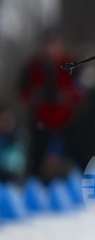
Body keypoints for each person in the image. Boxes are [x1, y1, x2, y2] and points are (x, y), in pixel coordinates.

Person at [17, 32, 84, 182]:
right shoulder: (32, 67)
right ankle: (34, 186)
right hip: (41, 122)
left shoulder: (71, 63)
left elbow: (81, 92)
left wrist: (67, 96)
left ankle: (82, 181)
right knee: (35, 159)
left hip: (66, 121)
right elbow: (21, 93)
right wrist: (33, 96)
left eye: (54, 46)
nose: (50, 51)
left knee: (78, 154)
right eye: (47, 46)